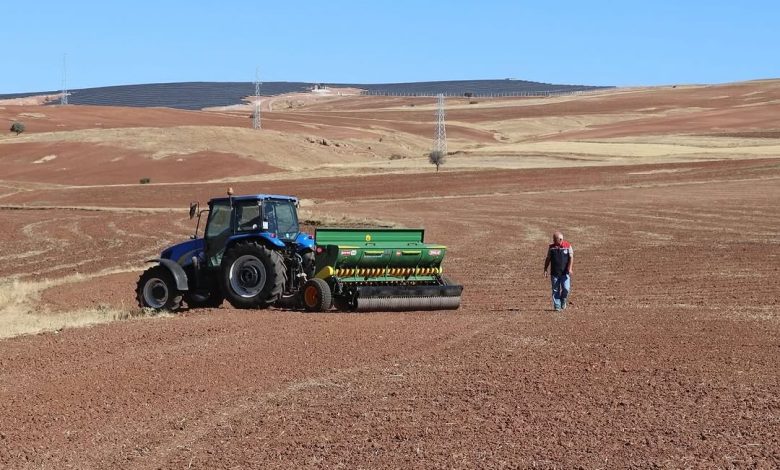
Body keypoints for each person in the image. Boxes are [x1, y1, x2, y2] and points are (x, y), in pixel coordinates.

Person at [543, 231, 574, 311]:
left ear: (560, 239)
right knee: (555, 290)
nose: (553, 241)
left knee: (566, 288)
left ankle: (563, 299)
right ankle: (557, 305)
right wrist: (545, 269)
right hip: (555, 273)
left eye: (554, 239)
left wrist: (570, 268)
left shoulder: (568, 246)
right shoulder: (551, 247)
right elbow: (548, 258)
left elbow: (571, 257)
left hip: (565, 272)